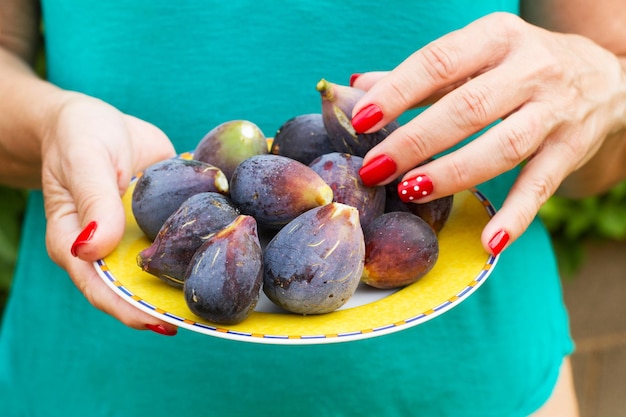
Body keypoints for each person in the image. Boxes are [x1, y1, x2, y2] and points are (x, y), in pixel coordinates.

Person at [0, 0, 624, 415]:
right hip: (95, 386)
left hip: (474, 386)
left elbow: (600, 143)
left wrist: (599, 84)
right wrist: (52, 126)